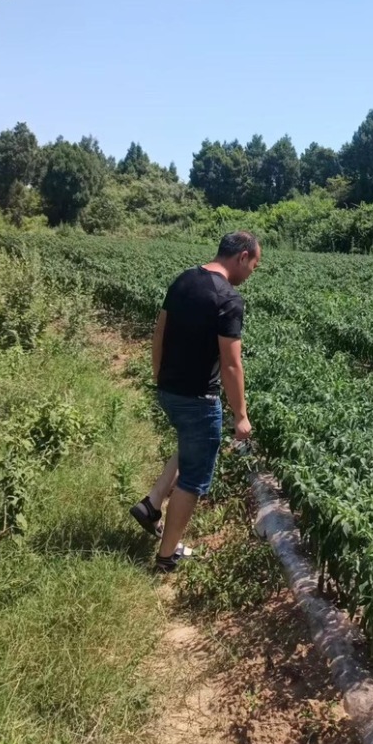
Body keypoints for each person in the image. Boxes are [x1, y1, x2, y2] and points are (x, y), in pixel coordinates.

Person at [130, 231, 260, 571]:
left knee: (191, 444)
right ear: (242, 257)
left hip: (170, 390)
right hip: (198, 398)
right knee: (193, 480)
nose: (252, 273)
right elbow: (231, 364)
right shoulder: (228, 299)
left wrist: (159, 376)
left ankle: (151, 505)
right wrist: (240, 415)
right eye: (254, 265)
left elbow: (159, 330)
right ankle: (166, 556)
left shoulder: (185, 279)